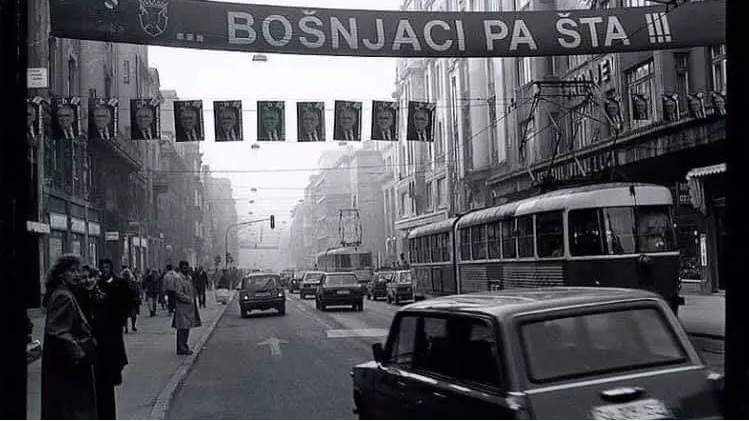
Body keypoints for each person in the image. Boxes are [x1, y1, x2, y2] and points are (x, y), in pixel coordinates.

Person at [41, 254, 98, 420]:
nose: (77, 275)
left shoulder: (65, 292)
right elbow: (58, 331)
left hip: (65, 365)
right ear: (61, 275)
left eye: (77, 271)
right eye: (72, 271)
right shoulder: (63, 296)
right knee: (73, 408)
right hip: (69, 367)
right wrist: (80, 354)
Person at [94, 258, 131, 420]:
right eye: (102, 267)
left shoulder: (119, 283)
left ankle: (115, 373)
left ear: (111, 268)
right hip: (101, 331)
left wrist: (122, 319)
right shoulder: (97, 284)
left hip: (114, 328)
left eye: (107, 266)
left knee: (114, 359)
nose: (105, 269)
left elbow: (127, 301)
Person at [173, 261, 202, 355]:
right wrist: (189, 299)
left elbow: (191, 289)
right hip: (182, 307)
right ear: (181, 268)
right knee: (182, 328)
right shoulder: (178, 278)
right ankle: (181, 348)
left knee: (186, 328)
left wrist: (194, 296)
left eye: (187, 267)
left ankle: (183, 346)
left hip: (189, 307)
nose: (186, 269)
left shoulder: (189, 278)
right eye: (184, 268)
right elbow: (178, 293)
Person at [122, 268, 141, 333]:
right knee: (128, 315)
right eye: (125, 275)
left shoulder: (133, 282)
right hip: (129, 300)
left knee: (131, 315)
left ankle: (131, 326)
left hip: (131, 300)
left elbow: (137, 291)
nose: (126, 276)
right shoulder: (122, 282)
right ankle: (128, 327)